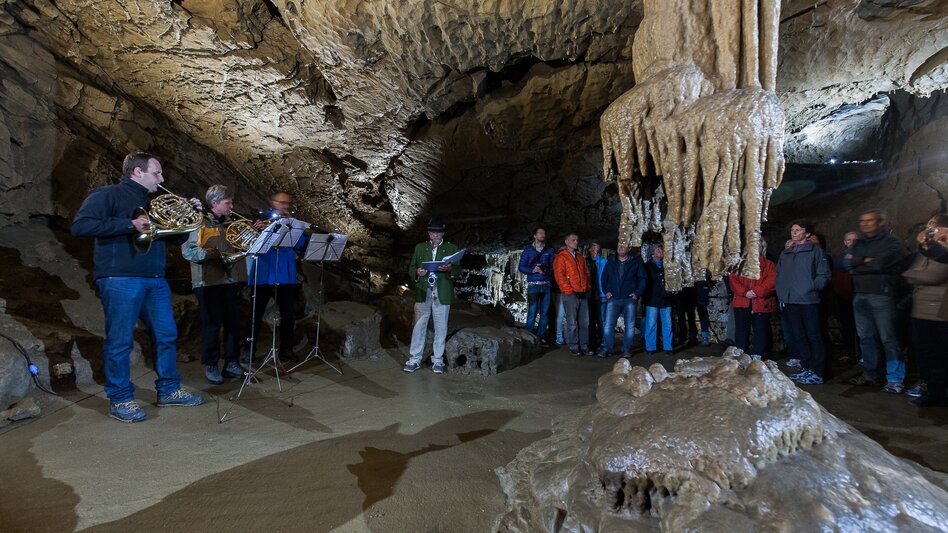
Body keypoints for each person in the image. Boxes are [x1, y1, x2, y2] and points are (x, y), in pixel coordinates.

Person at [71, 152, 204, 422]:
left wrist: (190, 217)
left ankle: (169, 390)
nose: (162, 179)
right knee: (120, 340)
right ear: (137, 172)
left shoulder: (153, 202)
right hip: (120, 277)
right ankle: (120, 399)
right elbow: (80, 225)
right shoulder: (107, 195)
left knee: (167, 335)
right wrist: (128, 224)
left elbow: (173, 241)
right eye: (157, 173)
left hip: (155, 279)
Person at [182, 185, 248, 384]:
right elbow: (189, 251)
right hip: (207, 281)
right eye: (227, 203)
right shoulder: (198, 222)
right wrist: (211, 254)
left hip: (229, 280)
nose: (232, 206)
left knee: (233, 324)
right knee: (212, 325)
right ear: (214, 203)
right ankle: (211, 365)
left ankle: (232, 363)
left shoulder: (229, 223)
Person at [842, 209, 907, 393]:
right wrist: (865, 262)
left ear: (880, 223)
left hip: (881, 294)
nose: (865, 224)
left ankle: (895, 379)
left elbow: (881, 263)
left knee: (889, 338)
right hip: (859, 293)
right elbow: (846, 264)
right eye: (863, 221)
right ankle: (871, 374)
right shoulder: (859, 243)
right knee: (866, 338)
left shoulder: (892, 242)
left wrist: (859, 262)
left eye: (870, 221)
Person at [246, 192, 307, 364]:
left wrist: (297, 229)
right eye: (282, 203)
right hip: (263, 274)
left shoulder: (293, 224)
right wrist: (256, 229)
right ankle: (249, 350)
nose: (285, 207)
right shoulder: (259, 220)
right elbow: (248, 242)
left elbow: (301, 244)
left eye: (287, 203)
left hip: (285, 275)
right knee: (255, 314)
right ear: (272, 203)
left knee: (288, 314)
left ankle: (286, 350)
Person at [901, 214, 948, 407]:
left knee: (939, 353)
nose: (930, 229)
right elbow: (917, 269)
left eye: (935, 227)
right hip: (922, 308)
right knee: (925, 351)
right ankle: (933, 391)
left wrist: (912, 274)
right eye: (929, 226)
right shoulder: (930, 249)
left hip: (941, 310)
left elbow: (934, 274)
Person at [776, 221, 831, 385]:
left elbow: (824, 275)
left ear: (807, 233)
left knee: (813, 335)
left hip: (808, 300)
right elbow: (778, 274)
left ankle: (818, 371)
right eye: (792, 230)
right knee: (798, 335)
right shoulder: (786, 253)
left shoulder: (815, 251)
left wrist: (810, 287)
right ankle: (806, 367)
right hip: (790, 300)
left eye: (798, 230)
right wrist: (781, 291)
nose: (794, 232)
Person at [404, 218, 461, 373]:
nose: (435, 235)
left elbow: (457, 271)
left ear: (443, 233)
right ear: (429, 233)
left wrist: (449, 269)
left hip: (441, 291)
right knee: (419, 326)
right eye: (433, 232)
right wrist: (417, 272)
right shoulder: (420, 247)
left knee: (441, 327)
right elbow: (412, 267)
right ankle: (414, 359)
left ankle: (438, 361)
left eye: (438, 232)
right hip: (424, 290)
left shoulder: (451, 248)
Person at [729, 240, 776, 359]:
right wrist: (745, 292)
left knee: (760, 329)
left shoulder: (769, 265)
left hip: (761, 302)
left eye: (758, 246)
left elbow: (772, 282)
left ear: (762, 248)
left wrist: (756, 292)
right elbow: (733, 280)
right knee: (741, 330)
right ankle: (741, 354)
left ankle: (758, 355)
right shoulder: (738, 264)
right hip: (742, 301)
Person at [598, 242, 646, 357]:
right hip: (613, 298)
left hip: (629, 299)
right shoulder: (611, 261)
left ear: (629, 248)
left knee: (629, 326)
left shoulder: (636, 262)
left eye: (623, 246)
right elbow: (604, 278)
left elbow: (643, 279)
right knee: (609, 325)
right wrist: (606, 292)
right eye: (619, 245)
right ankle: (607, 348)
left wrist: (637, 293)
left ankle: (626, 349)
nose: (620, 247)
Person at [553, 233, 591, 356]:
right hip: (571, 294)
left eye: (577, 240)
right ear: (567, 242)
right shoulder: (561, 257)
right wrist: (568, 290)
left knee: (585, 322)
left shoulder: (580, 257)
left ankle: (584, 345)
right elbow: (559, 276)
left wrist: (587, 287)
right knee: (572, 322)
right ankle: (574, 346)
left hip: (583, 292)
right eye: (573, 240)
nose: (576, 242)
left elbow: (586, 273)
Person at [517, 227, 554, 343]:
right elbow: (521, 267)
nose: (543, 235)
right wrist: (533, 270)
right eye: (540, 233)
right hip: (533, 284)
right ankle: (528, 335)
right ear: (535, 235)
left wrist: (546, 271)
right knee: (532, 311)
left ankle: (540, 336)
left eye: (544, 233)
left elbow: (554, 267)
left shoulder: (549, 250)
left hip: (546, 284)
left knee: (545, 312)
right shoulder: (528, 250)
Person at [643, 244, 673, 353]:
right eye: (658, 249)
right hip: (652, 298)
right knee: (651, 324)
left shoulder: (667, 265)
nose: (661, 251)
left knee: (667, 323)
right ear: (652, 253)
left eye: (661, 249)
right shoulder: (646, 266)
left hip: (666, 299)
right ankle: (650, 347)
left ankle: (668, 347)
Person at [586, 242, 607, 349]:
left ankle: (603, 342)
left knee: (602, 320)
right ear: (589, 249)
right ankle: (592, 342)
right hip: (589, 295)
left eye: (597, 247)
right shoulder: (585, 262)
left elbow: (607, 278)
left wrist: (605, 293)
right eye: (593, 247)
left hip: (600, 295)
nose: (596, 249)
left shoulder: (604, 261)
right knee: (590, 320)